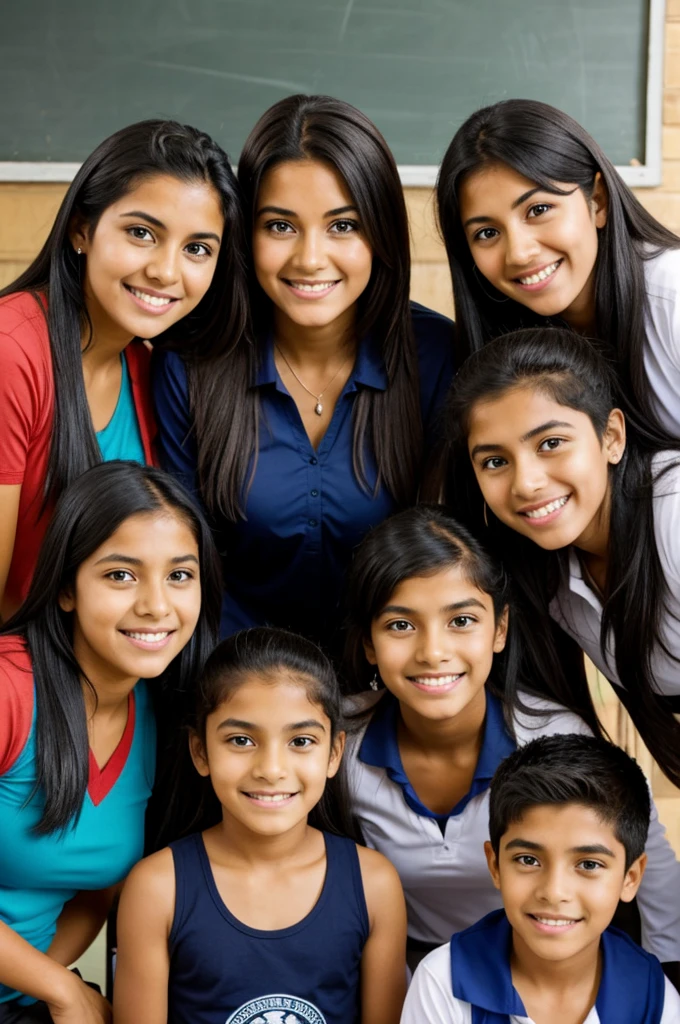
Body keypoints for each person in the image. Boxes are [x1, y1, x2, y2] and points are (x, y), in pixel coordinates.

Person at [153, 93, 455, 651]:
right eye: (281, 226)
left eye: (343, 226)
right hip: (234, 684)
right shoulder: (190, 362)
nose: (311, 258)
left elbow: (448, 563)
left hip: (396, 679)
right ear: (246, 233)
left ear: (381, 234)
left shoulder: (435, 355)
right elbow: (180, 565)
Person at [343, 506, 680, 974]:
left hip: (539, 962)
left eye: (461, 621)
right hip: (403, 967)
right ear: (368, 644)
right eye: (401, 625)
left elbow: (651, 861)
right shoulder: (337, 745)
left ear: (499, 629)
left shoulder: (557, 735)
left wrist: (669, 971)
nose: (433, 652)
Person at [0, 118, 248, 621]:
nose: (166, 270)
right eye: (141, 233)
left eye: (197, 248)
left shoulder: (146, 363)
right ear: (81, 229)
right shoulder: (13, 350)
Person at [0, 461, 221, 1023]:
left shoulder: (163, 710)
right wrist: (63, 989)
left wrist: (38, 991)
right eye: (121, 575)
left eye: (179, 575)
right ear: (67, 588)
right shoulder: (9, 689)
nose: (155, 605)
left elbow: (94, 894)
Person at [114, 626, 407, 1024]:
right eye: (241, 740)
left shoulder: (374, 884)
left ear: (335, 753)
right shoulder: (157, 888)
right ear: (200, 751)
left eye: (300, 741)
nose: (271, 769)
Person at [444, 326, 680, 789]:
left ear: (611, 436)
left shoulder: (671, 510)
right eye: (494, 461)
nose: (526, 482)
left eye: (550, 443)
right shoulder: (543, 573)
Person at [435, 98, 680, 439]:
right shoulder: (503, 345)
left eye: (538, 209)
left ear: (598, 201)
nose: (519, 253)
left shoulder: (672, 294)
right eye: (487, 233)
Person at [401, 735, 680, 1023]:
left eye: (588, 864)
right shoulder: (443, 983)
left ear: (630, 878)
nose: (554, 891)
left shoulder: (653, 997)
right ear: (495, 865)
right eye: (528, 860)